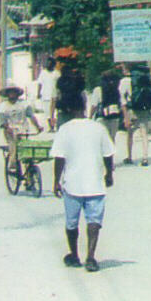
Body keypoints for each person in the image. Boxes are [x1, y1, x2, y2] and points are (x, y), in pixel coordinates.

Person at [50, 89, 115, 271]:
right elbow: (108, 154)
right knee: (94, 221)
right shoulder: (98, 128)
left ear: (69, 109)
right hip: (95, 183)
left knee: (71, 222)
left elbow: (59, 158)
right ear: (85, 107)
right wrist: (109, 174)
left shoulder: (65, 130)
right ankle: (91, 257)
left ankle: (74, 255)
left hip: (72, 184)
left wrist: (56, 181)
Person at [125, 64, 151, 166]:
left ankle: (129, 157)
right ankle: (145, 157)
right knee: (144, 133)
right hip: (145, 109)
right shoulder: (147, 81)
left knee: (130, 133)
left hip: (133, 109)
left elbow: (123, 98)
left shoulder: (126, 81)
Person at [0, 84, 43, 151]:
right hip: (10, 131)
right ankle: (12, 160)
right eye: (10, 92)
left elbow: (31, 116)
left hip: (23, 129)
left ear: (17, 93)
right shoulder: (3, 106)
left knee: (24, 149)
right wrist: (7, 128)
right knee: (13, 150)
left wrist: (38, 126)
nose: (12, 94)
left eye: (14, 92)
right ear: (7, 94)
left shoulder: (24, 104)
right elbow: (3, 121)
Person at [92, 66, 125, 155]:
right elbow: (121, 103)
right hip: (114, 116)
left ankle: (103, 158)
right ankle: (111, 160)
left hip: (101, 117)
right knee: (112, 138)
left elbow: (94, 105)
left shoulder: (98, 90)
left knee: (102, 139)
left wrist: (90, 116)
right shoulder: (117, 89)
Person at [34, 56, 60, 130]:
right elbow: (40, 83)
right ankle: (51, 127)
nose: (48, 64)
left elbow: (59, 85)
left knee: (54, 113)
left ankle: (54, 126)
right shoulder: (43, 73)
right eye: (47, 63)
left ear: (53, 64)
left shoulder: (57, 73)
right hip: (45, 96)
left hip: (54, 96)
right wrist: (38, 93)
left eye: (50, 63)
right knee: (47, 113)